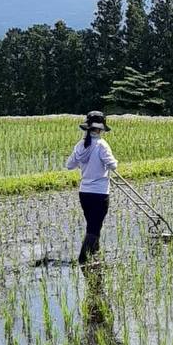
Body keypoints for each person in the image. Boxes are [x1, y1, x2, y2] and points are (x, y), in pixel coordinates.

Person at [66, 111, 118, 265]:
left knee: (92, 225)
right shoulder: (102, 145)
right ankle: (82, 260)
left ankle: (95, 255)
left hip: (84, 193)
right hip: (99, 193)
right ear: (98, 130)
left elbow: (69, 165)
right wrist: (110, 163)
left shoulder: (80, 145)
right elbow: (113, 165)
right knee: (94, 229)